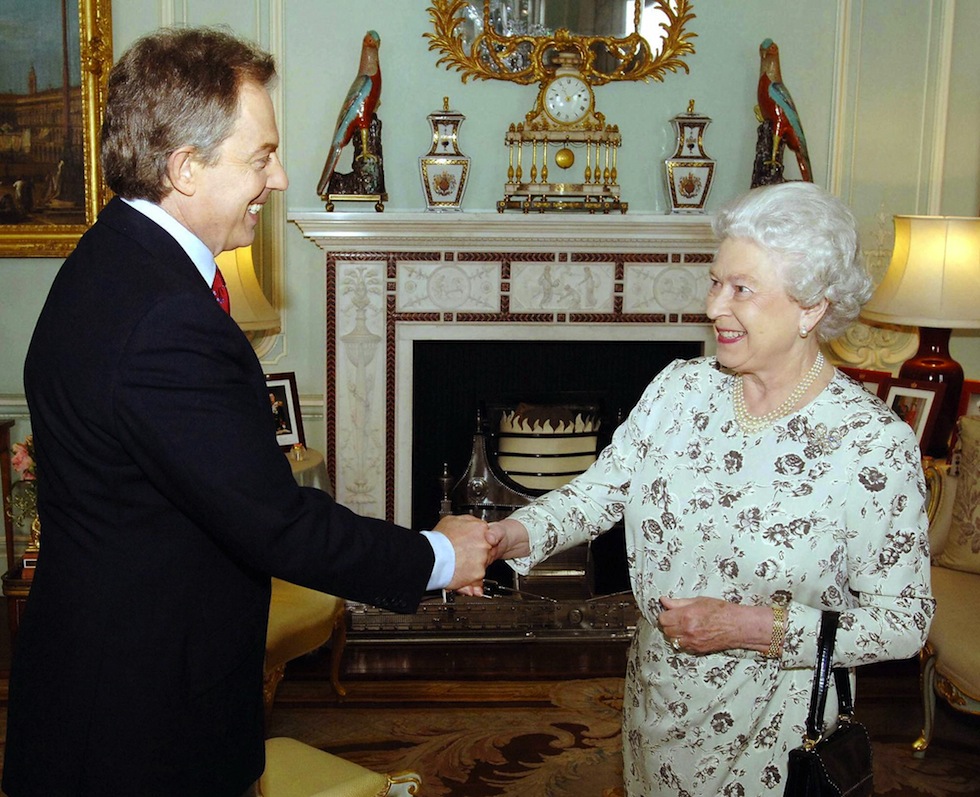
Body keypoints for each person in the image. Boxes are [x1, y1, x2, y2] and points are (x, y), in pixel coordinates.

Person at [3, 27, 492, 797]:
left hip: (108, 687)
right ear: (185, 167)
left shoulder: (111, 259)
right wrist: (440, 555)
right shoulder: (164, 317)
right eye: (261, 157)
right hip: (140, 727)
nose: (281, 178)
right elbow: (277, 523)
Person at [487, 181, 934, 796]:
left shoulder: (871, 444)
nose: (715, 306)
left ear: (811, 308)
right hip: (657, 701)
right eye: (715, 281)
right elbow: (598, 494)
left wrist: (750, 627)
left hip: (777, 729)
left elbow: (904, 621)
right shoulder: (681, 389)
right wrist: (506, 535)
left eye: (742, 289)